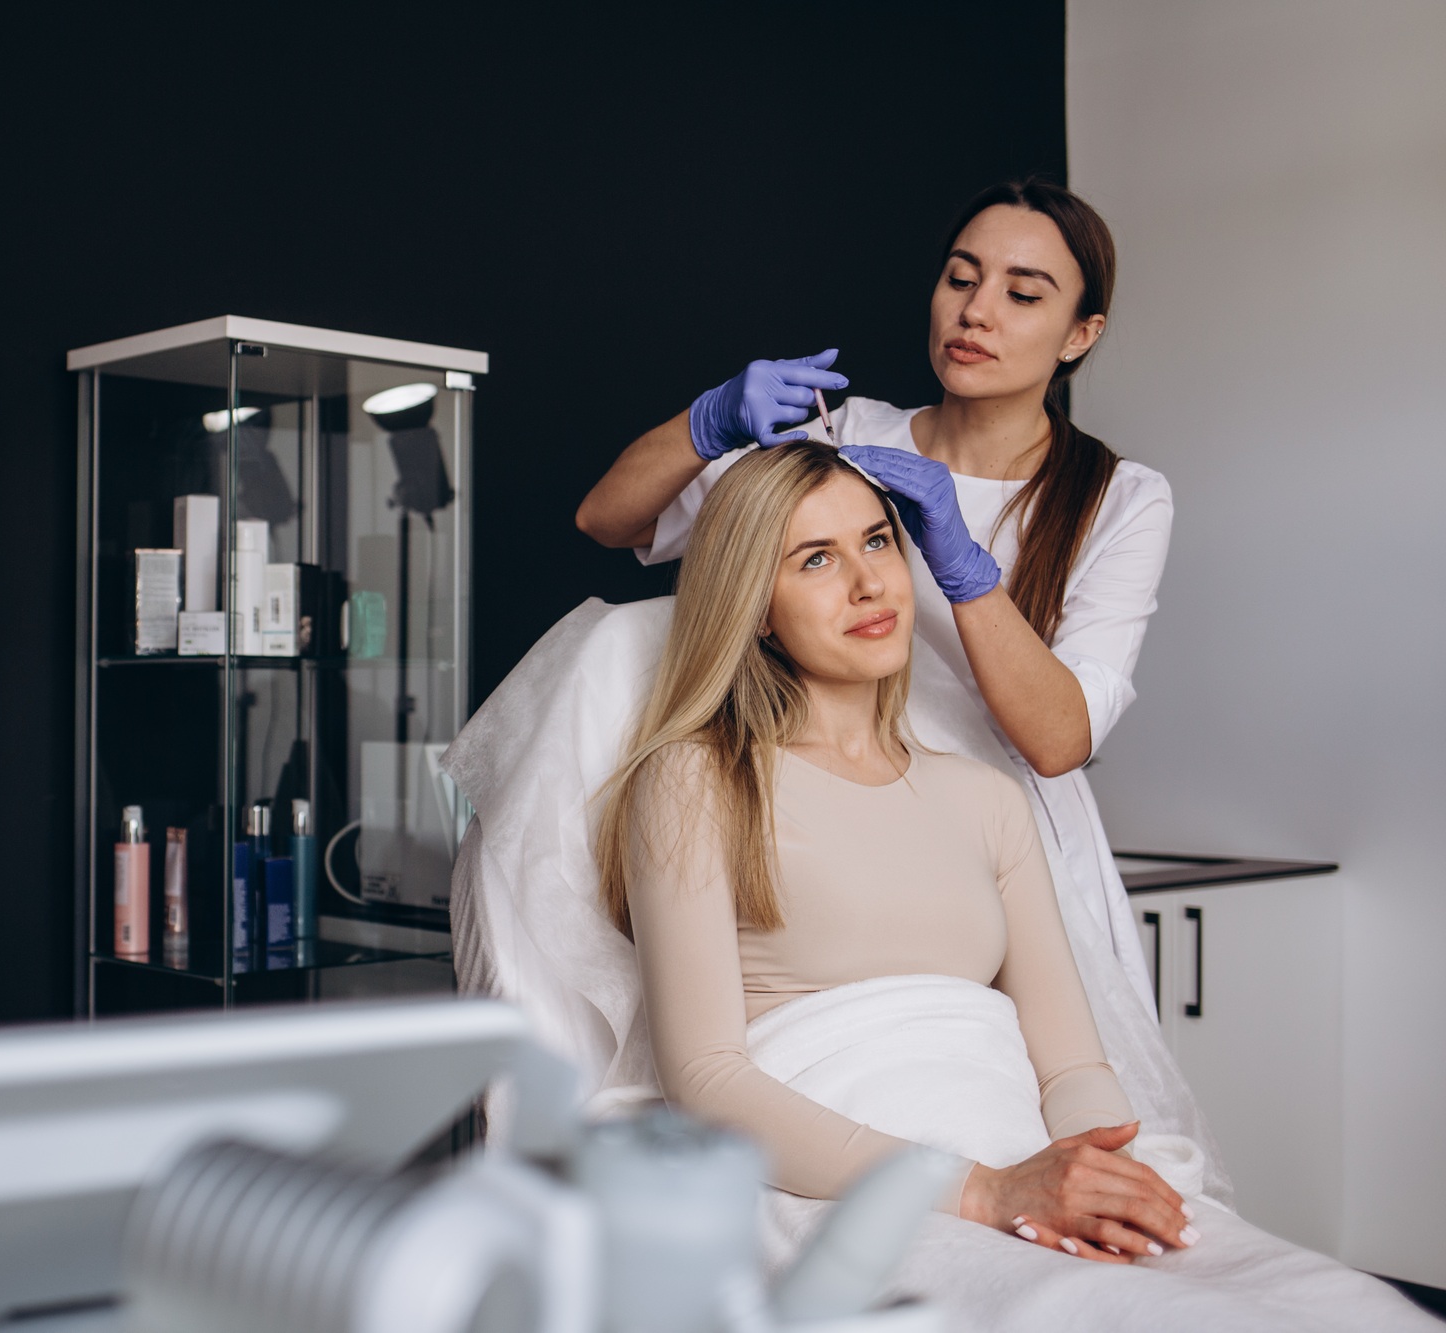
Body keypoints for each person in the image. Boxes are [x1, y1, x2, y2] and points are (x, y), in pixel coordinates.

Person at [581, 441, 1434, 1327]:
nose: (870, 583)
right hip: (840, 1183)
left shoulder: (985, 796)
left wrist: (1093, 1169)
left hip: (1019, 1152)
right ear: (756, 608)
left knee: (1338, 1306)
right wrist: (982, 1192)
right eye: (817, 559)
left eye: (878, 542)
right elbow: (706, 1078)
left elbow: (1070, 1060)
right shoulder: (696, 779)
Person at [576, 179, 1163, 1012]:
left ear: (1080, 333)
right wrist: (706, 422)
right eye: (961, 278)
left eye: (1022, 293)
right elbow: (606, 518)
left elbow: (1060, 737)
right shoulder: (845, 438)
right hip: (821, 820)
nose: (976, 311)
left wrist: (961, 566)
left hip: (1001, 849)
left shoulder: (1121, 497)